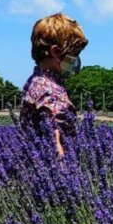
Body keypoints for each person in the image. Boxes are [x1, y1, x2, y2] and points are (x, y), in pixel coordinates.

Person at [20, 12, 88, 158]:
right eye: (74, 54)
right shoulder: (49, 91)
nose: (76, 60)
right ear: (56, 52)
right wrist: (65, 176)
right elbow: (55, 143)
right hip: (53, 171)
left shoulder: (34, 81)